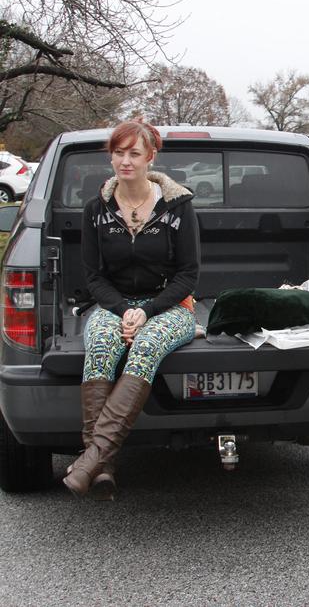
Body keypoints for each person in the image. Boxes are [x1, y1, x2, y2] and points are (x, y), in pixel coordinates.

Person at [64, 119, 200, 500]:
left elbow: (188, 275)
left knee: (145, 348)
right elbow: (93, 277)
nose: (125, 161)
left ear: (150, 158)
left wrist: (149, 310)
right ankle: (103, 467)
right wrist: (124, 309)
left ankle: (90, 461)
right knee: (102, 346)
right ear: (111, 157)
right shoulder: (96, 210)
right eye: (118, 153)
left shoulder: (178, 206)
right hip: (114, 305)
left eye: (134, 153)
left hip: (171, 306)